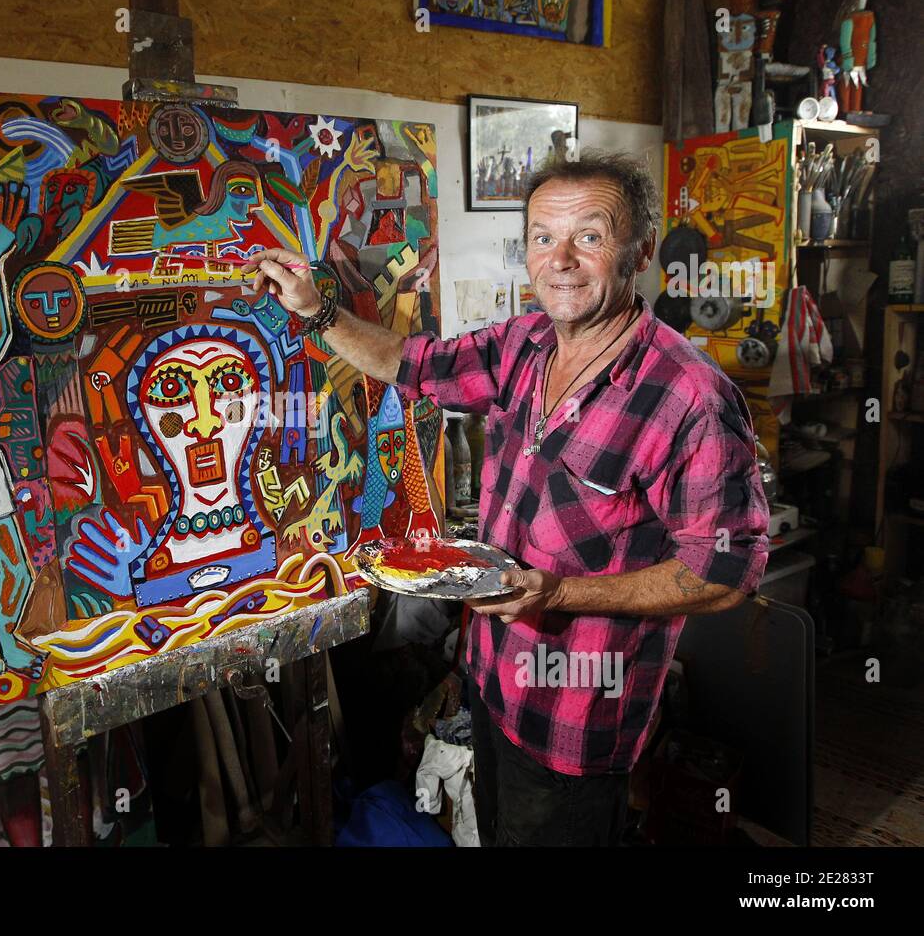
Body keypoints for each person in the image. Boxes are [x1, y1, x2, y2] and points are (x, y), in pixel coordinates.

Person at [241, 151, 770, 846]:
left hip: (576, 720)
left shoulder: (691, 398)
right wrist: (317, 312)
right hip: (491, 683)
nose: (562, 259)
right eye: (544, 238)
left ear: (640, 252)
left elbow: (724, 574)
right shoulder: (525, 344)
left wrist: (556, 593)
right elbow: (413, 365)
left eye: (589, 236)